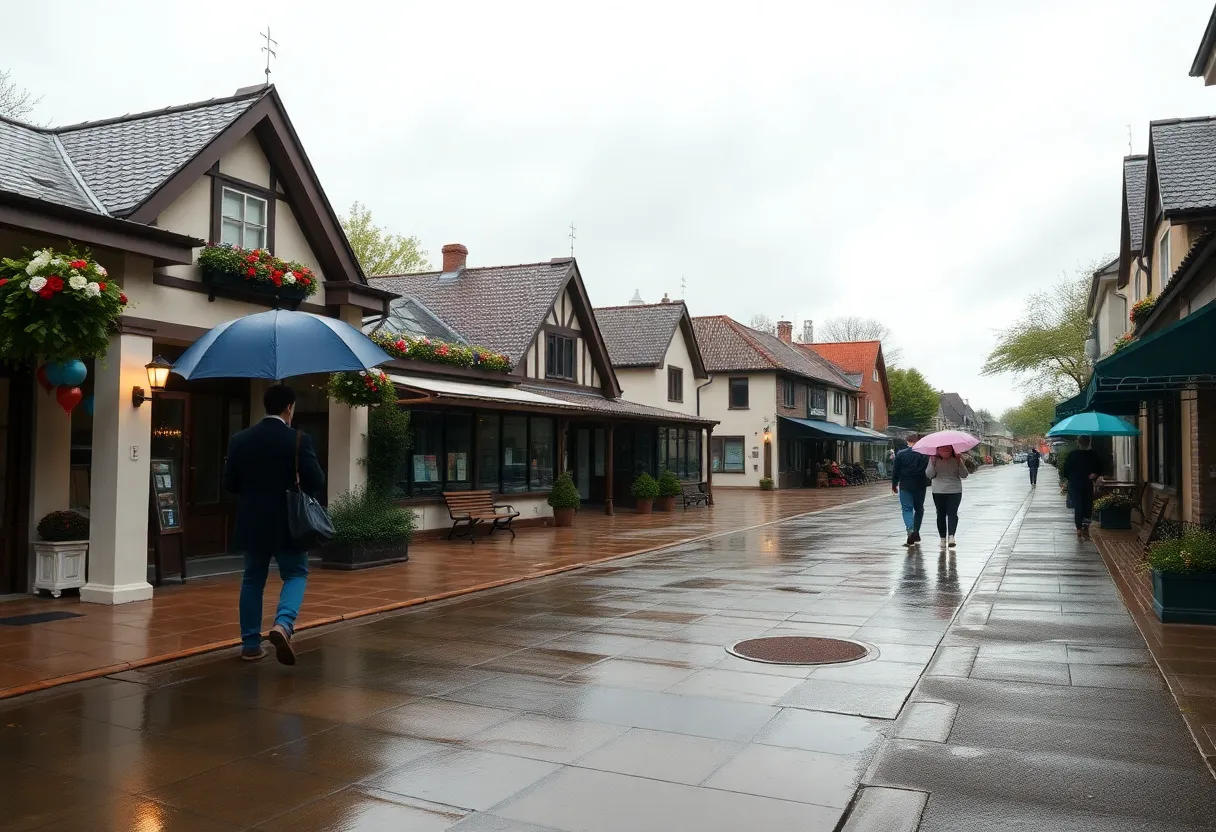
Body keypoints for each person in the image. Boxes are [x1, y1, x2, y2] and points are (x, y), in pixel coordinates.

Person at [223, 384, 325, 664]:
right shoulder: (298, 440)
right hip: (289, 523)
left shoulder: (240, 439)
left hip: (252, 521)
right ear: (288, 407)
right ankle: (283, 624)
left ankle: (250, 645)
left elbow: (229, 484)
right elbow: (316, 481)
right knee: (295, 574)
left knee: (253, 579)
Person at [926, 444, 968, 550]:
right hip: (955, 490)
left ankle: (942, 539)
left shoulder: (933, 458)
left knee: (940, 514)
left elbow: (929, 475)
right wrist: (959, 462)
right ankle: (951, 537)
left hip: (938, 491)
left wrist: (933, 463)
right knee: (952, 513)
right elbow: (964, 474)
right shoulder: (957, 458)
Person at [891, 434, 929, 547]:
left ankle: (910, 530)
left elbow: (895, 471)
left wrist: (894, 484)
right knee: (919, 509)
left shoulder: (901, 454)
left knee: (907, 509)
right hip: (920, 484)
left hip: (905, 484)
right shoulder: (924, 454)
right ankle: (916, 532)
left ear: (908, 442)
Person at [1061, 435, 1102, 538]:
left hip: (1077, 483)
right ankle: (1084, 527)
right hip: (1086, 483)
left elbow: (1065, 470)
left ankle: (1079, 528)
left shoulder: (1073, 455)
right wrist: (1095, 474)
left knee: (1079, 505)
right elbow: (1099, 468)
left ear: (1078, 443)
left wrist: (1071, 478)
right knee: (1086, 505)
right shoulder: (1092, 454)